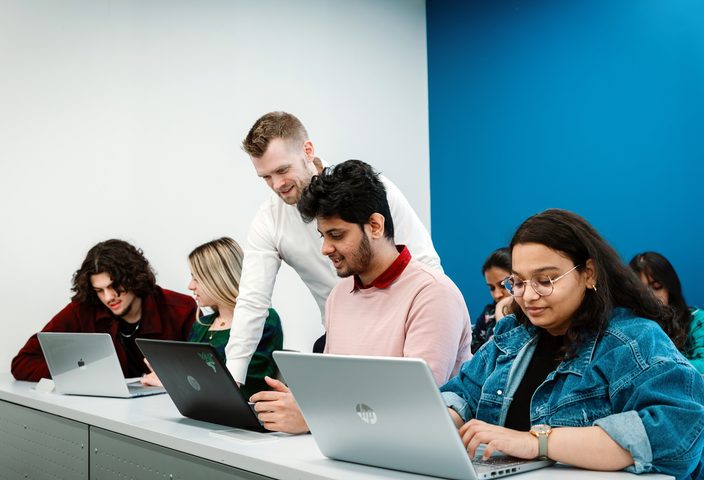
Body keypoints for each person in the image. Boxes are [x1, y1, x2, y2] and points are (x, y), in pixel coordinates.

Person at [440, 209, 704, 479]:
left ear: (589, 273)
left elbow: (681, 431)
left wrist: (538, 443)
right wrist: (437, 422)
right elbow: (462, 394)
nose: (529, 296)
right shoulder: (513, 334)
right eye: (518, 282)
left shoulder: (632, 340)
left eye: (545, 281)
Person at [249, 159, 472, 434]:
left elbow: (413, 408)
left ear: (375, 226)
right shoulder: (339, 296)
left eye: (336, 235)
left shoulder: (433, 294)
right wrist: (304, 402)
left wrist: (314, 417)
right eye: (322, 236)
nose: (325, 249)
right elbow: (337, 390)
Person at [226, 111, 442, 385]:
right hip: (341, 339)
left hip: (398, 333)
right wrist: (233, 378)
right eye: (266, 177)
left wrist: (427, 329)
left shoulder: (368, 191)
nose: (277, 185)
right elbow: (252, 302)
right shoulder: (269, 219)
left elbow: (426, 267)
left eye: (282, 170)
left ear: (308, 150)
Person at [12, 239, 197, 381]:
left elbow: (202, 374)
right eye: (99, 290)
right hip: (104, 416)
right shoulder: (83, 309)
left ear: (134, 278)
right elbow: (22, 363)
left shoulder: (180, 309)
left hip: (166, 417)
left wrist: (171, 379)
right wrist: (83, 371)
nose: (109, 297)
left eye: (114, 286)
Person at [140, 237, 284, 397]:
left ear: (218, 278)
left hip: (239, 416)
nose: (190, 286)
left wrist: (170, 382)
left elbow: (248, 385)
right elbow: (192, 377)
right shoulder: (202, 324)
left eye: (196, 278)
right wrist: (170, 376)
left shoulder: (265, 319)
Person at [629, 251, 704, 374]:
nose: (649, 296)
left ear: (670, 287)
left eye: (656, 286)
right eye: (641, 290)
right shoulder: (625, 328)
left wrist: (658, 366)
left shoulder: (697, 320)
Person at [471, 247, 511, 353]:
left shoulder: (531, 316)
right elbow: (473, 351)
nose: (497, 295)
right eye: (492, 288)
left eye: (503, 285)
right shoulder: (488, 314)